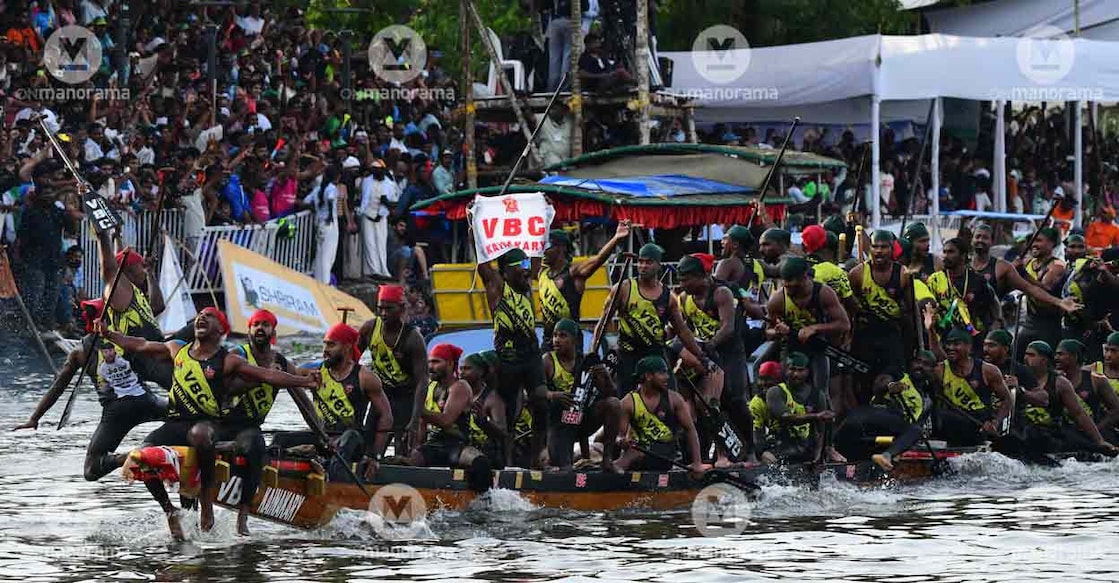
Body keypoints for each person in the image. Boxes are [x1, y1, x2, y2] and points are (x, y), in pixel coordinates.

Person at [102, 308, 319, 541]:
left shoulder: (228, 360)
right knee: (142, 454)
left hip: (206, 424)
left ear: (220, 330)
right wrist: (109, 334)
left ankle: (210, 502)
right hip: (175, 422)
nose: (201, 317)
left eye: (210, 316)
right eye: (199, 315)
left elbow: (267, 376)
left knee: (206, 435)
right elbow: (140, 345)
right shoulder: (177, 348)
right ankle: (169, 510)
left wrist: (304, 381)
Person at [12, 337, 167, 484]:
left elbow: (59, 386)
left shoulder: (80, 352)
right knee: (187, 417)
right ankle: (161, 450)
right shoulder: (127, 340)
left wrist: (35, 418)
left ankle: (132, 456)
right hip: (149, 401)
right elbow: (157, 370)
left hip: (117, 412)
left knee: (90, 469)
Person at [224, 309, 319, 535]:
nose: (259, 328)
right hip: (222, 421)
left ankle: (243, 516)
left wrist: (323, 435)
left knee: (257, 447)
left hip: (248, 427)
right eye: (255, 324)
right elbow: (228, 389)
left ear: (273, 331)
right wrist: (264, 375)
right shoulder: (237, 354)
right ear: (248, 330)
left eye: (265, 324)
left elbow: (303, 402)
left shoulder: (282, 363)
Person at [275, 323, 393, 482]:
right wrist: (277, 366)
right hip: (323, 438)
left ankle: (332, 481)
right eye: (324, 344)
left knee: (349, 437)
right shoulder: (312, 371)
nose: (325, 350)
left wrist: (375, 457)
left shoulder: (365, 377)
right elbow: (287, 373)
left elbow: (386, 416)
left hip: (352, 442)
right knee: (280, 439)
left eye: (331, 344)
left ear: (347, 347)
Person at [766, 256, 851, 461]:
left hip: (817, 348)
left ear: (805, 277)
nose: (788, 288)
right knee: (789, 394)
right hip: (792, 348)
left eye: (792, 283)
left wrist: (815, 328)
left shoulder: (823, 293)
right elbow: (767, 331)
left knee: (822, 395)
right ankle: (787, 443)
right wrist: (776, 332)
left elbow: (844, 324)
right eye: (785, 283)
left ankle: (828, 446)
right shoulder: (778, 299)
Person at [674, 253, 752, 459]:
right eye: (680, 280)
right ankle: (705, 454)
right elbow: (685, 329)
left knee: (735, 400)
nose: (683, 285)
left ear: (703, 276)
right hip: (704, 356)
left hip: (729, 354)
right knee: (705, 404)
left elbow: (728, 328)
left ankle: (750, 448)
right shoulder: (683, 298)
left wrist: (709, 345)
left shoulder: (721, 293)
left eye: (687, 280)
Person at [477, 247, 548, 466]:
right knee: (508, 412)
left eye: (527, 266)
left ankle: (537, 459)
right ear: (506, 271)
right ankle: (506, 462)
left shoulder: (526, 287)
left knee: (540, 400)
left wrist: (544, 222)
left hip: (532, 354)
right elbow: (483, 266)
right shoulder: (498, 288)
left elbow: (537, 257)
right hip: (508, 357)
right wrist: (473, 229)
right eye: (522, 267)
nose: (527, 271)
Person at [610, 243, 711, 396]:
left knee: (671, 398)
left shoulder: (668, 297)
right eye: (641, 261)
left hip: (655, 355)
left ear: (658, 265)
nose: (643, 266)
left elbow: (682, 331)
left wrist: (701, 356)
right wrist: (592, 352)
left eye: (649, 262)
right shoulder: (623, 289)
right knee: (624, 402)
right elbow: (603, 321)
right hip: (627, 355)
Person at [538, 319, 621, 471]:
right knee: (565, 471)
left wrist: (606, 377)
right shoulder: (548, 361)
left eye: (563, 336)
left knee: (614, 404)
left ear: (574, 340)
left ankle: (607, 460)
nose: (556, 340)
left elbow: (610, 393)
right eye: (555, 335)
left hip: (582, 421)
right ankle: (555, 459)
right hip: (559, 424)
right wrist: (554, 395)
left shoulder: (585, 362)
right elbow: (532, 393)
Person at [409, 343, 492, 492]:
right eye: (429, 362)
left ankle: (483, 502)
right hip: (433, 445)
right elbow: (421, 424)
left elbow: (446, 420)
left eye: (436, 362)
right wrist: (416, 448)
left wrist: (417, 409)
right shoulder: (429, 387)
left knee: (480, 463)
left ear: (449, 363)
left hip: (457, 446)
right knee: (405, 463)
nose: (430, 367)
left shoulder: (460, 387)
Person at [358, 284, 429, 455]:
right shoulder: (369, 329)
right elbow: (351, 363)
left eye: (389, 309)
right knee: (369, 449)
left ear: (402, 308)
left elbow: (423, 381)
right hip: (381, 395)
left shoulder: (413, 338)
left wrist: (414, 421)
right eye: (380, 309)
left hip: (405, 398)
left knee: (401, 449)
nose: (383, 314)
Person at [1015, 341, 1116, 456]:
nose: (1025, 358)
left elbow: (1079, 413)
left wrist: (1099, 440)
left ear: (1044, 360)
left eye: (1031, 355)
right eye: (1025, 354)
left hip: (1050, 434)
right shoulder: (1017, 376)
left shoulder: (1060, 382)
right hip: (1022, 430)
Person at [538, 222, 629, 350]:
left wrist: (616, 238)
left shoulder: (574, 273)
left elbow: (598, 259)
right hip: (547, 341)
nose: (543, 251)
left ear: (561, 248)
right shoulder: (542, 272)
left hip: (570, 344)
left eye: (547, 246)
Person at [615, 355, 707, 474]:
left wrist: (697, 463)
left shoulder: (674, 399)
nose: (667, 377)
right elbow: (619, 436)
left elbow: (690, 430)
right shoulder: (628, 402)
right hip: (639, 450)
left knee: (634, 453)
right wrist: (622, 441)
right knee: (632, 452)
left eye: (666, 373)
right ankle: (615, 474)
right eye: (662, 373)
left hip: (666, 453)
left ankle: (615, 470)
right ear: (648, 376)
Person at [925, 325, 1012, 447]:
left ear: (969, 347)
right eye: (948, 344)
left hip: (977, 427)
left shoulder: (988, 370)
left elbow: (1007, 400)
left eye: (956, 344)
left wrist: (995, 423)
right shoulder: (940, 370)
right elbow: (936, 353)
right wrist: (930, 330)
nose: (951, 348)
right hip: (950, 425)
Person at [848, 231, 914, 389]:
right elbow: (849, 309)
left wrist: (911, 345)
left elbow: (910, 311)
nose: (878, 251)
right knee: (863, 379)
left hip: (891, 334)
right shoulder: (857, 274)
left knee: (893, 376)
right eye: (875, 246)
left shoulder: (903, 274)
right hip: (865, 334)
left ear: (892, 249)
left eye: (884, 247)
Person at [833, 367, 925, 472]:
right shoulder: (899, 375)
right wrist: (890, 386)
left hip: (875, 433)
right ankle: (886, 456)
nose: (920, 366)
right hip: (873, 416)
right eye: (918, 361)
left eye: (926, 364)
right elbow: (878, 386)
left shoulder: (926, 396)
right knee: (916, 430)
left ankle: (873, 462)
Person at [971, 224, 1078, 315]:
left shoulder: (1056, 265)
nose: (1034, 244)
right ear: (972, 239)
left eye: (985, 237)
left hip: (1045, 319)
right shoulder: (963, 264)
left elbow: (1033, 289)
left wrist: (1059, 302)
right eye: (978, 236)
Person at [926, 237, 1001, 352]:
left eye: (951, 252)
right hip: (944, 339)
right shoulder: (935, 280)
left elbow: (993, 303)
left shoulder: (977, 280)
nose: (945, 256)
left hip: (972, 340)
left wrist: (996, 323)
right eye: (944, 252)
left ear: (963, 255)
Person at [759, 352, 834, 464]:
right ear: (785, 370)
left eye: (800, 370)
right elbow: (786, 418)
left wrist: (817, 458)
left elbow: (821, 431)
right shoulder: (775, 392)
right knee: (767, 457)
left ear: (807, 372)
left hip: (806, 451)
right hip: (779, 449)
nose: (796, 374)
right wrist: (816, 416)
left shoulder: (818, 395)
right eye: (792, 369)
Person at [1053, 339, 1119, 449]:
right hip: (1068, 433)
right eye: (1056, 354)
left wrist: (1096, 430)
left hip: (1098, 432)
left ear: (1075, 357)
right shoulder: (1054, 381)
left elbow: (1116, 410)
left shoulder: (1096, 380)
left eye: (1061, 354)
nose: (1056, 358)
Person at [714, 225, 768, 354]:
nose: (722, 242)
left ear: (735, 245)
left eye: (725, 239)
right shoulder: (758, 264)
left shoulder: (727, 264)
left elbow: (714, 290)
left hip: (735, 325)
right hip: (755, 325)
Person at [1017, 228, 1069, 361]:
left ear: (1051, 243)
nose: (1034, 244)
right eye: (1032, 240)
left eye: (1039, 240)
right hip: (1029, 321)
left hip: (1048, 325)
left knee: (1045, 362)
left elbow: (1045, 290)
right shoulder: (1028, 262)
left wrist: (1023, 274)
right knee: (1017, 358)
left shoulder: (1057, 266)